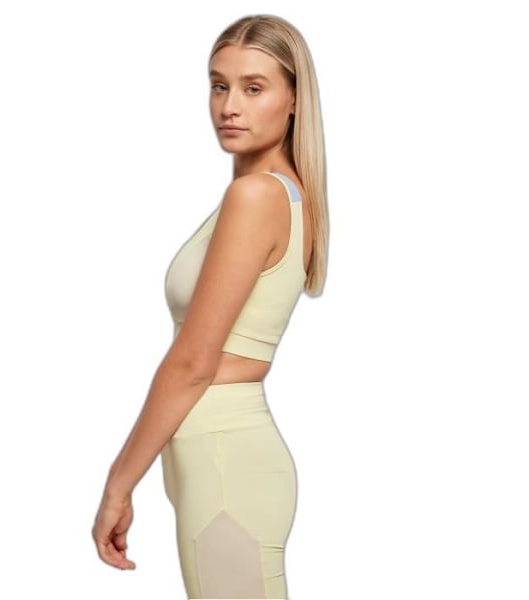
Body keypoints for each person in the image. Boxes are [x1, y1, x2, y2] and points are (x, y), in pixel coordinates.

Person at [92, 13, 328, 599]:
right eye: (219, 85)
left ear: (294, 100)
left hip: (225, 457)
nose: (230, 106)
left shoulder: (256, 196)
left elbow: (193, 362)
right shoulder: (280, 194)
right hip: (219, 457)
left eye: (254, 87)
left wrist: (119, 483)